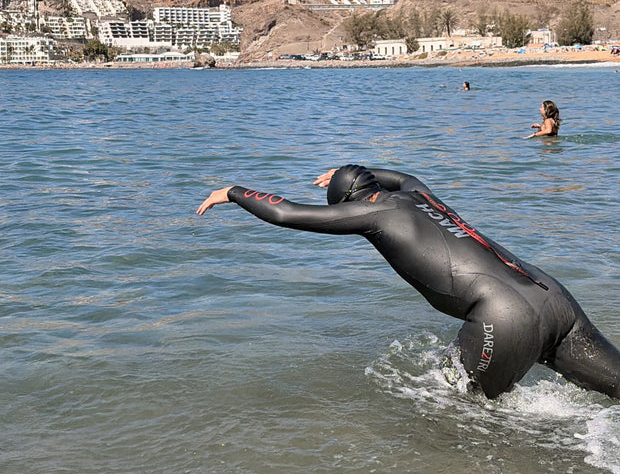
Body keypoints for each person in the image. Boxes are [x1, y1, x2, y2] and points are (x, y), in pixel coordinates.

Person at [196, 165, 620, 400]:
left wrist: (233, 191)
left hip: (504, 316)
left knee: (458, 410)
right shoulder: (421, 196)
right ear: (372, 185)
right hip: (552, 297)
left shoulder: (371, 213)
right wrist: (358, 167)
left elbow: (287, 213)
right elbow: (402, 176)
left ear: (349, 203)